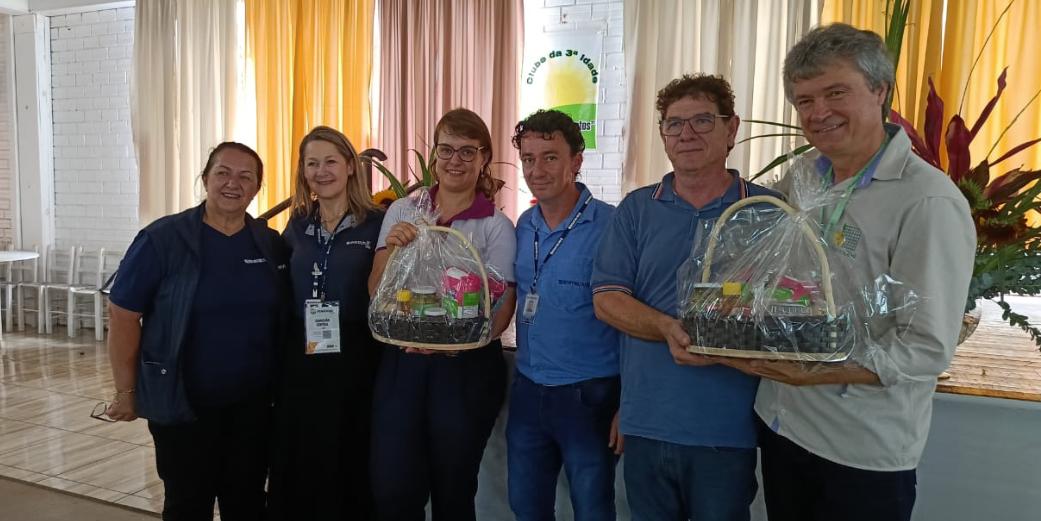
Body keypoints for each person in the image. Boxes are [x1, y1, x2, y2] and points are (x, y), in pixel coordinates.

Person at [719, 24, 975, 521]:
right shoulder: (803, 178)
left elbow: (926, 347)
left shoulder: (926, 201)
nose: (817, 113)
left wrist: (813, 371)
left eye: (836, 92)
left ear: (880, 90)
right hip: (781, 425)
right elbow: (777, 277)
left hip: (859, 448)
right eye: (803, 100)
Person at [590, 74, 778, 521]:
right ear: (662, 135)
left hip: (728, 429)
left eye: (702, 121)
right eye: (675, 124)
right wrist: (666, 328)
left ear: (731, 130)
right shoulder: (636, 209)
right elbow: (607, 298)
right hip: (647, 424)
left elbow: (789, 312)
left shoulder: (768, 211)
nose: (687, 134)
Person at [104, 142, 288, 521]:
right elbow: (123, 314)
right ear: (205, 179)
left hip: (253, 408)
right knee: (188, 504)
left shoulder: (269, 244)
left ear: (257, 188)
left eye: (245, 177)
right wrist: (126, 391)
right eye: (222, 173)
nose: (232, 183)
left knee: (248, 502)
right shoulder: (162, 239)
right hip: (183, 406)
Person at [367, 108, 517, 521]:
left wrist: (459, 344)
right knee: (394, 487)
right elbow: (376, 291)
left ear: (485, 158)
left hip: (464, 370)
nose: (456, 160)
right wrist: (394, 249)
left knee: (454, 490)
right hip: (402, 365)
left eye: (468, 152)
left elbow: (502, 308)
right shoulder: (402, 211)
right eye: (447, 149)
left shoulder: (495, 226)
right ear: (434, 155)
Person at [507, 109, 622, 520]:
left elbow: (630, 319)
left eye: (550, 157)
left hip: (589, 397)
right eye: (528, 158)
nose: (537, 169)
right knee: (526, 507)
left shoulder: (612, 225)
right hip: (527, 390)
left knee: (592, 509)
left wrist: (628, 405)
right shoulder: (524, 225)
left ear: (576, 160)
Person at [267, 126, 385, 520]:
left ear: (351, 166)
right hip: (301, 355)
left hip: (357, 355)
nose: (321, 171)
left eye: (330, 161)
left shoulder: (377, 223)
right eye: (311, 163)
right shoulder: (297, 225)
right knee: (301, 449)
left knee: (349, 447)